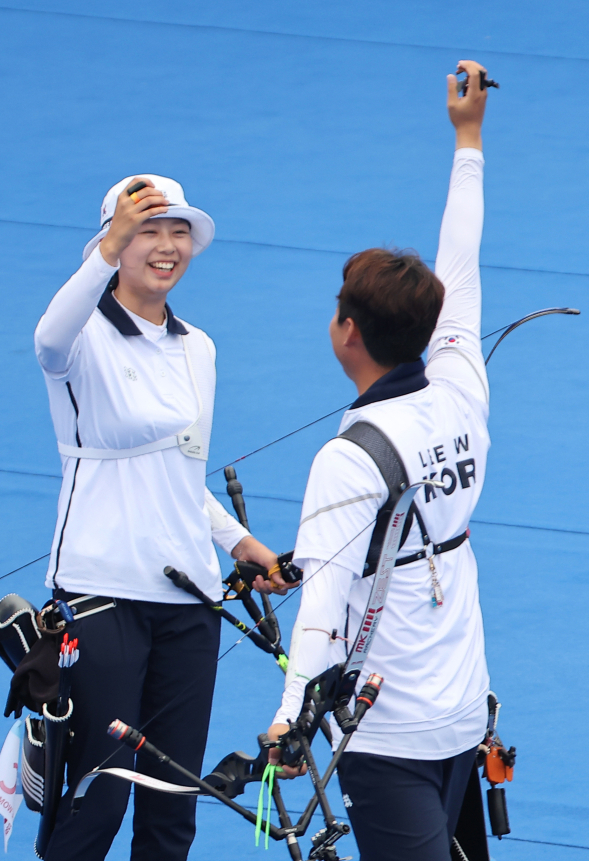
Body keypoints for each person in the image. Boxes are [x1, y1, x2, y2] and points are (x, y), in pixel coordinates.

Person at [262, 61, 492, 860]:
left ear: (348, 333)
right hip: (464, 698)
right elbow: (459, 268)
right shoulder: (463, 384)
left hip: (388, 725)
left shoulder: (347, 457)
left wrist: (292, 716)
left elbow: (324, 606)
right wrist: (469, 140)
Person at [34, 173, 277, 861]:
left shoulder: (198, 347)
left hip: (189, 600)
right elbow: (46, 338)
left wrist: (241, 543)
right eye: (148, 230)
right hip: (102, 589)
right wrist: (106, 247)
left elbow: (181, 473)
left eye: (179, 232)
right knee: (97, 799)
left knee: (172, 804)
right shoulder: (79, 337)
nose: (167, 246)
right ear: (114, 241)